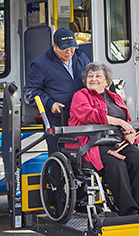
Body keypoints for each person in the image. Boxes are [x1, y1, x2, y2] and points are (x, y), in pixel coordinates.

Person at [68, 62, 139, 216]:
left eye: (98, 76)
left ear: (107, 81)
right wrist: (119, 122)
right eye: (90, 76)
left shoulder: (115, 97)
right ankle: (129, 211)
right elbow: (89, 115)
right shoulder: (80, 95)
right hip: (92, 143)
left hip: (117, 142)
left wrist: (129, 132)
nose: (93, 79)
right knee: (116, 163)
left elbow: (127, 119)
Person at [23, 27, 90, 155]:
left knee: (82, 158)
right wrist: (50, 104)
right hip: (58, 118)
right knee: (59, 157)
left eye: (72, 47)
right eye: (65, 48)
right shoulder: (40, 64)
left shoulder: (82, 57)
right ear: (54, 46)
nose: (69, 52)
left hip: (81, 116)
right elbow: (31, 90)